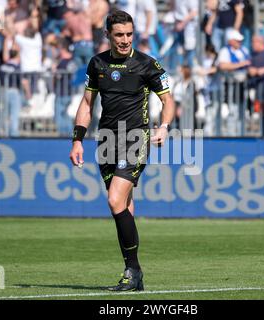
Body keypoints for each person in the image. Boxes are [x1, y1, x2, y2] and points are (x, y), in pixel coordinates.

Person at [69, 10, 175, 291]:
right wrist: (77, 139)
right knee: (124, 206)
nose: (125, 40)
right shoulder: (97, 64)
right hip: (106, 142)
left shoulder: (148, 64)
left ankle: (133, 270)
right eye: (119, 35)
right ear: (108, 35)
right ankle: (134, 275)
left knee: (115, 201)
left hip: (135, 139)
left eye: (129, 34)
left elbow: (169, 101)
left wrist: (164, 126)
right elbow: (86, 105)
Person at [217, 28, 251, 136]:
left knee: (242, 111)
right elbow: (223, 65)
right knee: (233, 111)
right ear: (231, 41)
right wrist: (241, 64)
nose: (239, 42)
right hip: (231, 86)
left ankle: (241, 134)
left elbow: (250, 63)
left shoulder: (244, 50)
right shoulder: (224, 51)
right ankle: (232, 134)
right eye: (237, 40)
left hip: (242, 86)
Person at [54, 37, 76, 136]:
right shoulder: (74, 61)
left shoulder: (62, 63)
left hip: (62, 93)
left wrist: (54, 69)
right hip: (70, 93)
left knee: (60, 115)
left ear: (62, 49)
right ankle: (70, 135)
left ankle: (63, 136)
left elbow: (57, 77)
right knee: (66, 115)